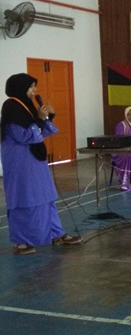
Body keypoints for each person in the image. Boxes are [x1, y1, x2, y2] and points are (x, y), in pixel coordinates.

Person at [0, 73, 82, 254]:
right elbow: (23, 136)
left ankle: (56, 233)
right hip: (20, 162)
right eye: (31, 87)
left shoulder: (27, 106)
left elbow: (39, 134)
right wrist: (38, 118)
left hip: (34, 160)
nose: (34, 90)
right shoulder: (11, 107)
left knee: (45, 196)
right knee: (23, 199)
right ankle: (20, 242)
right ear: (20, 87)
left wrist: (47, 117)